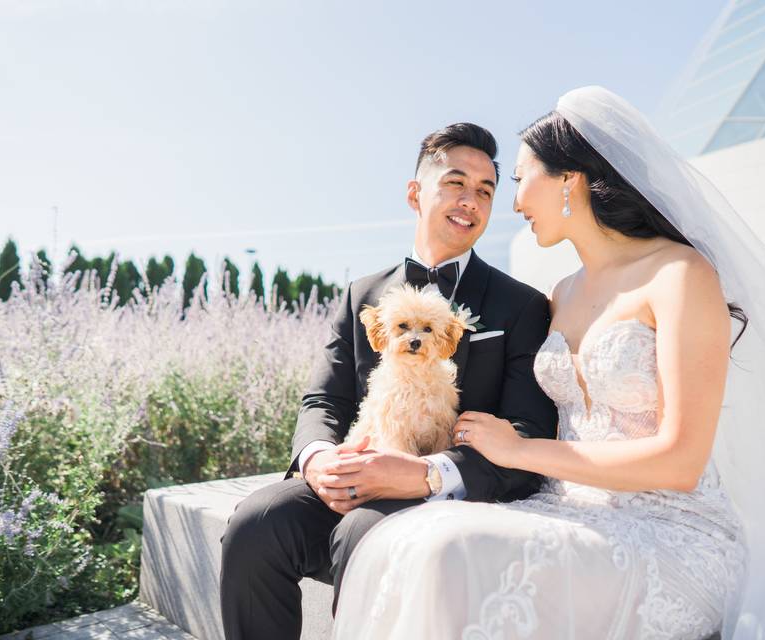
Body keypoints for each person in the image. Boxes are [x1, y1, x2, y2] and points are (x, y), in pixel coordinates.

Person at [331, 87, 765, 639]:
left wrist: (518, 449)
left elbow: (683, 460)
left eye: (517, 180)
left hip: (671, 529)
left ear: (568, 181)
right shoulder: (559, 293)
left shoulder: (681, 275)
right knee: (411, 537)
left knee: (446, 550)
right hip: (562, 508)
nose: (509, 203)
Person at [219, 122, 557, 640]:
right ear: (414, 193)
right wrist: (319, 459)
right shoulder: (362, 294)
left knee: (365, 534)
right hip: (350, 474)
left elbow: (529, 428)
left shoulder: (524, 305)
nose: (471, 200)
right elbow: (323, 400)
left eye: (486, 191)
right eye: (455, 183)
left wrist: (427, 474)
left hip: (448, 494)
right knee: (254, 524)